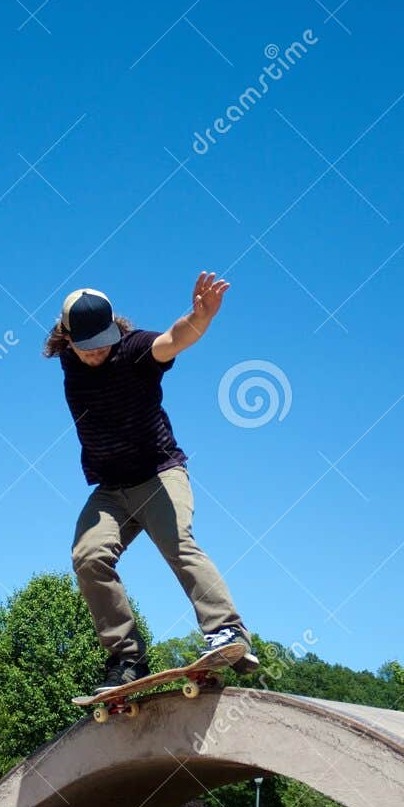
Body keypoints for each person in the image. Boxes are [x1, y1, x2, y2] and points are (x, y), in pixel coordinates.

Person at [45, 272, 257, 697]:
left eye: (103, 342)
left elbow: (172, 341)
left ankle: (226, 632)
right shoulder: (69, 358)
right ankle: (127, 658)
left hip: (160, 474)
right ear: (68, 340)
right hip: (111, 490)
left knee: (177, 542)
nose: (97, 353)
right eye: (87, 348)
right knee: (88, 557)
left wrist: (199, 320)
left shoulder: (135, 350)